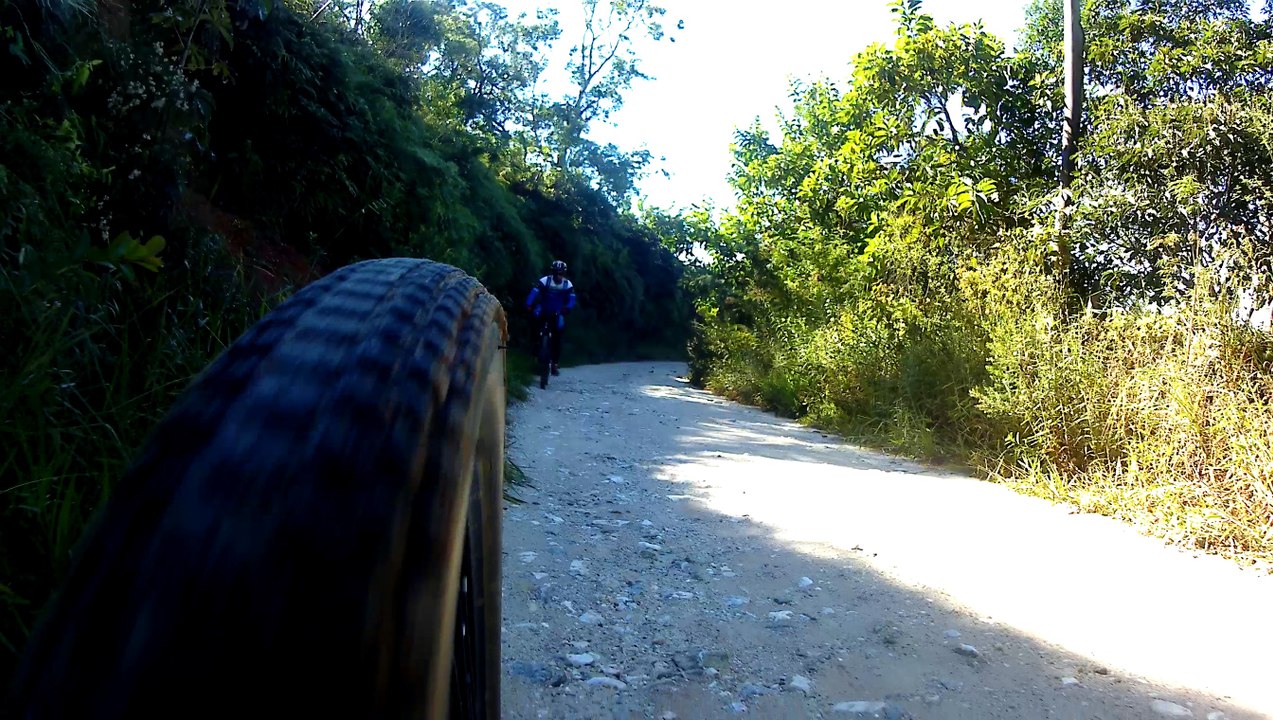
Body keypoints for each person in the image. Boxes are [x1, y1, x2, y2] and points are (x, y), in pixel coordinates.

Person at [525, 260, 577, 375]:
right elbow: (534, 292)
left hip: (558, 311)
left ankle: (554, 364)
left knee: (558, 334)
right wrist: (528, 303)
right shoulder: (545, 280)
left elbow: (572, 298)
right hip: (543, 307)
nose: (558, 276)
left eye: (560, 273)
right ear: (552, 273)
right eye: (556, 273)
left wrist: (568, 308)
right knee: (534, 319)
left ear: (564, 274)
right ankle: (534, 344)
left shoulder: (567, 284)